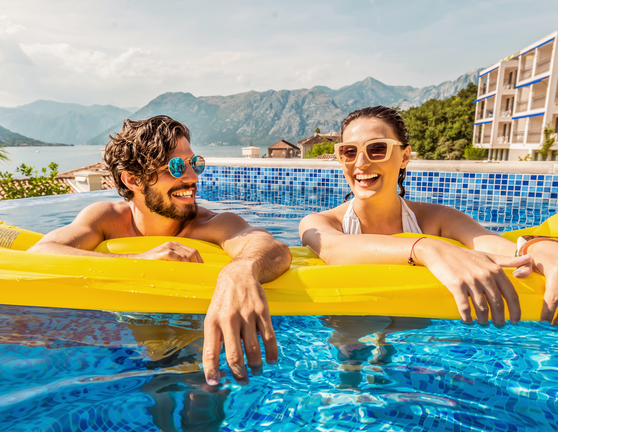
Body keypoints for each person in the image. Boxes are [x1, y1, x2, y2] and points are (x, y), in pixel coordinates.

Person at [28, 115, 293, 385]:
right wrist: (138, 260)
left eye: (195, 163)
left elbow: (272, 248)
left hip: (200, 351)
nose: (192, 178)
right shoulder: (106, 219)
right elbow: (41, 253)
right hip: (124, 347)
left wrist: (239, 270)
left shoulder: (212, 224)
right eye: (176, 167)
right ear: (133, 179)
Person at [299, 106, 558, 326]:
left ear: (405, 156)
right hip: (348, 324)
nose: (361, 163)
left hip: (413, 330)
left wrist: (537, 247)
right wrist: (426, 248)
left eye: (377, 149)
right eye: (349, 151)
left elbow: (493, 244)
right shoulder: (321, 223)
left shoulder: (437, 219)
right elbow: (332, 249)